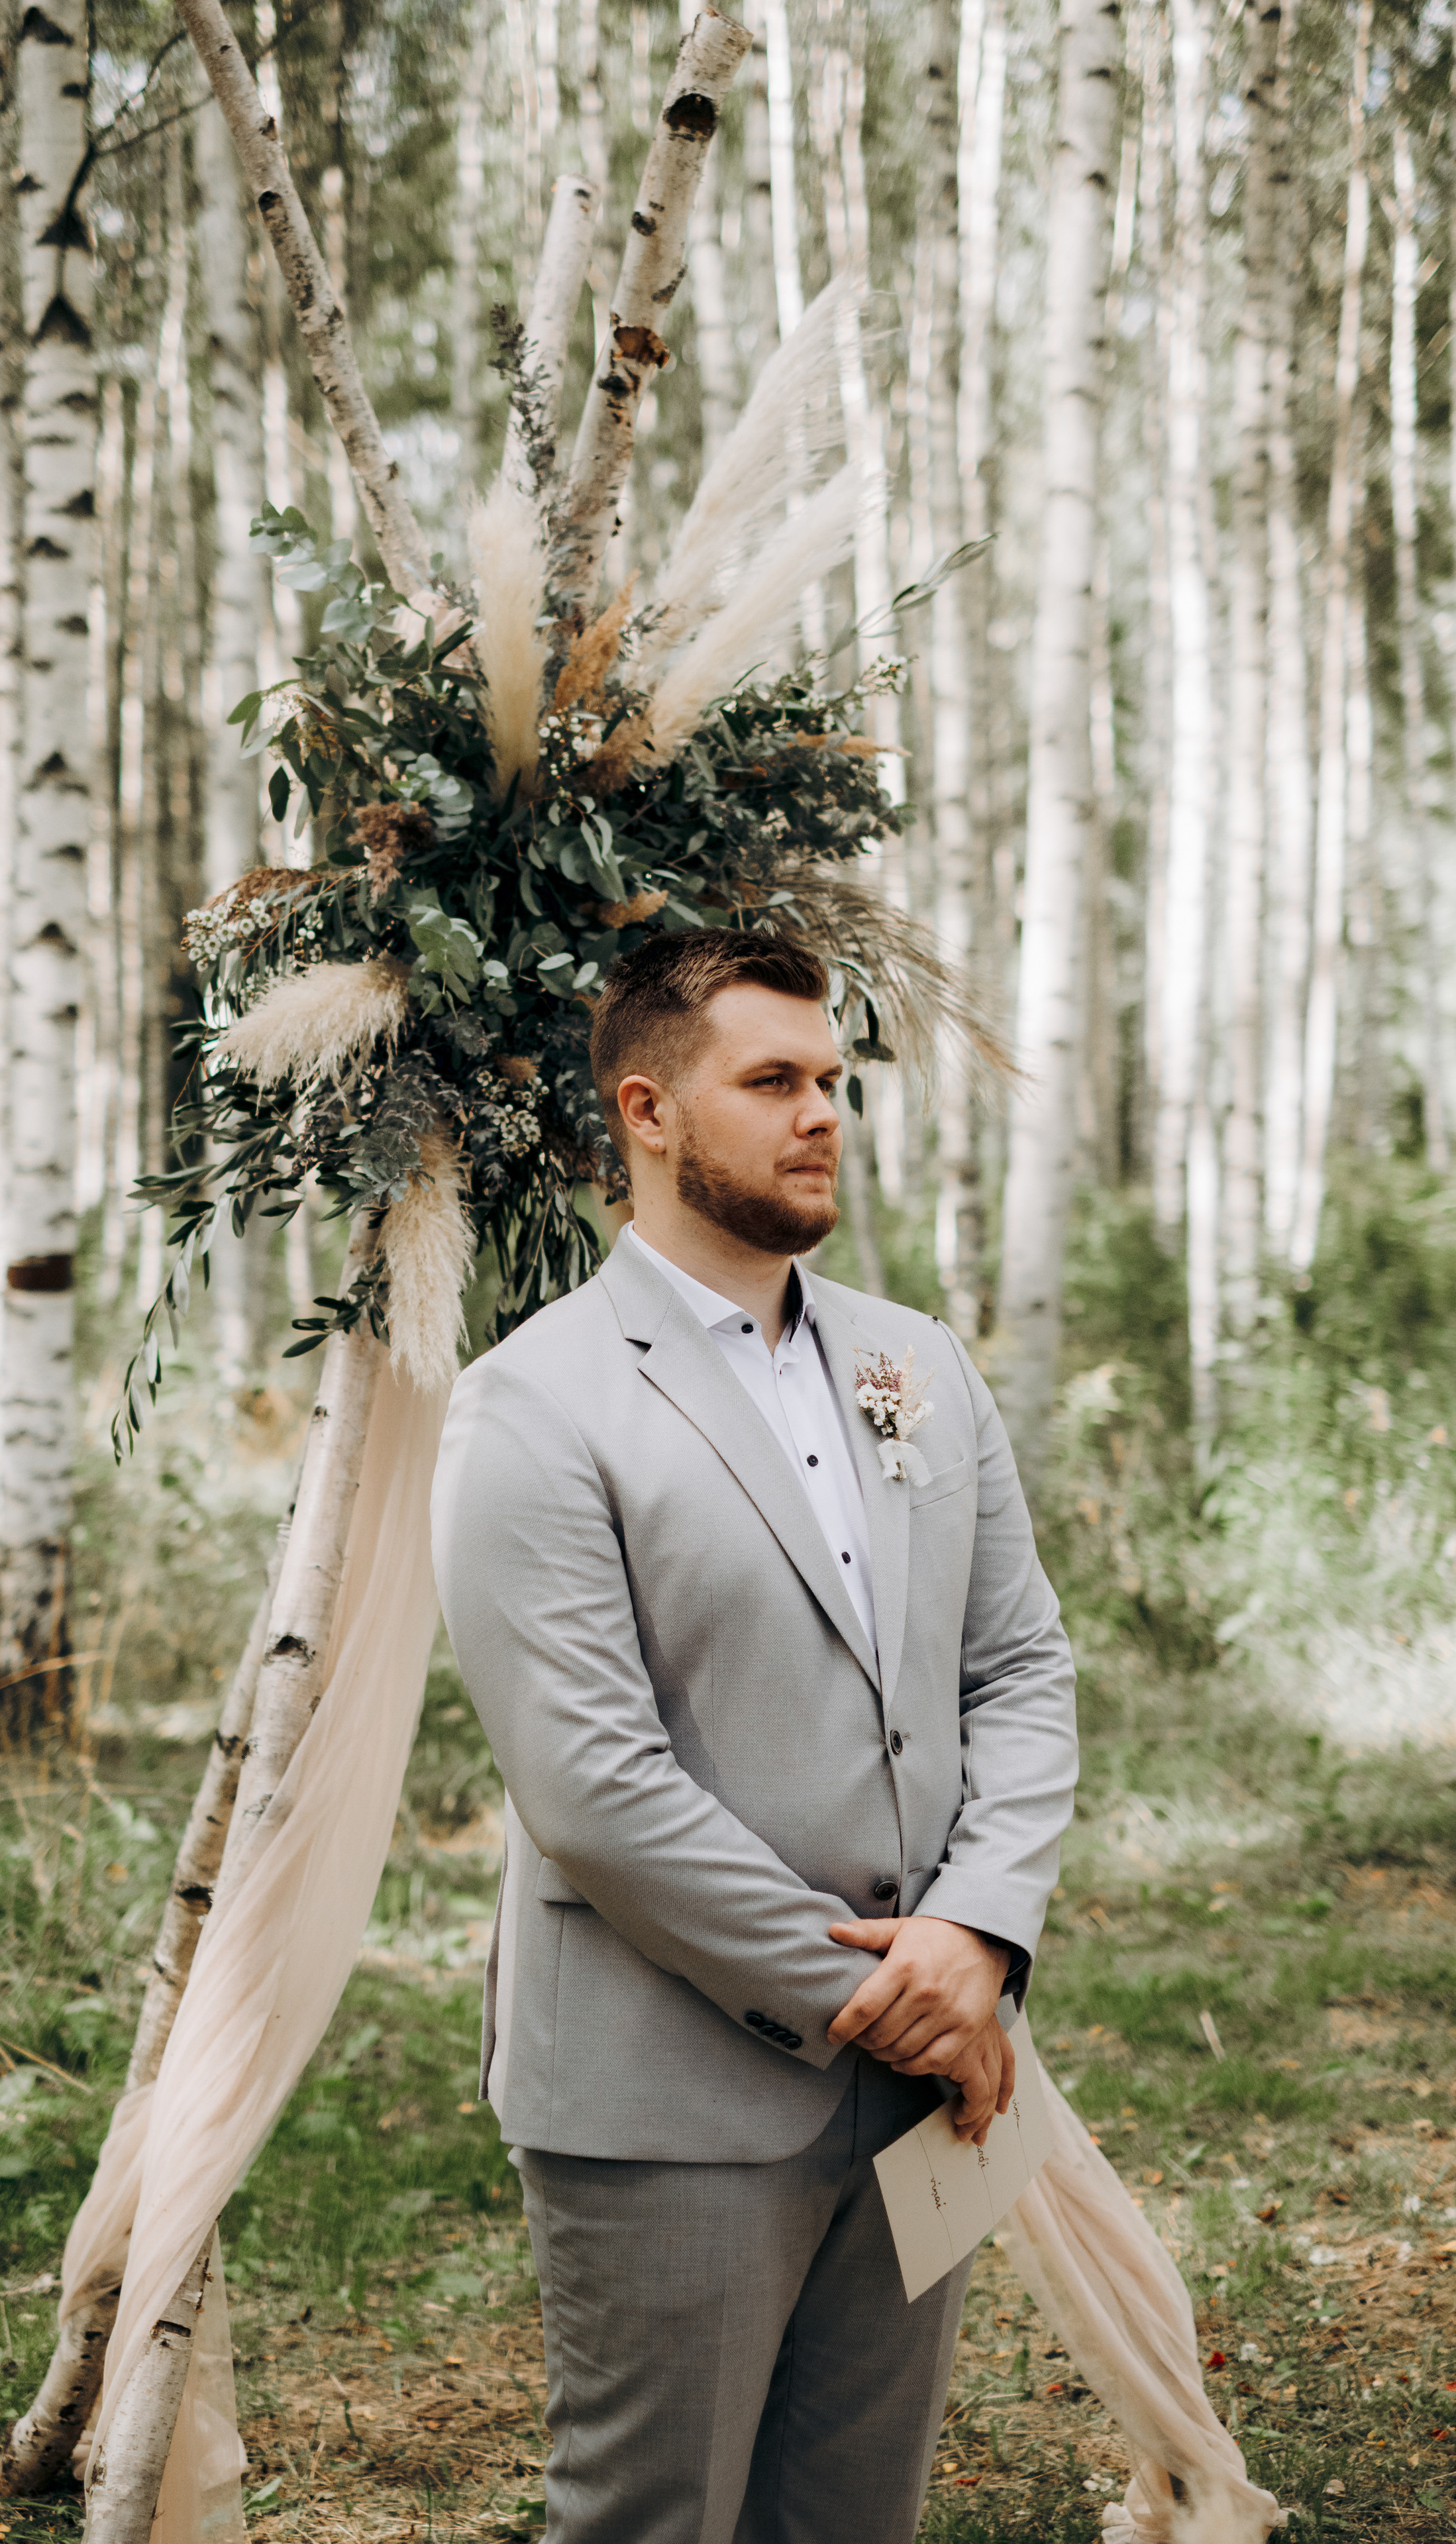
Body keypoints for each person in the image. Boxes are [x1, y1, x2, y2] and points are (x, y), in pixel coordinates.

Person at [431, 929, 1078, 2544]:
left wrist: (979, 1933)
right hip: (673, 2091)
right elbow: (590, 1791)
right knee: (654, 2518)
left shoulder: (910, 1363)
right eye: (772, 1081)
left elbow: (1018, 1667)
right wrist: (886, 1995)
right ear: (646, 1112)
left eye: (832, 1082)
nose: (820, 1117)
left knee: (854, 2515)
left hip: (931, 2071)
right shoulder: (533, 1403)